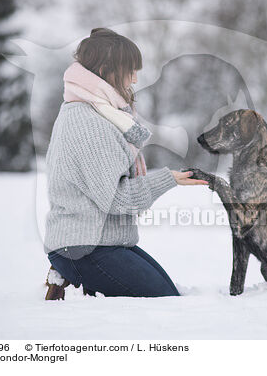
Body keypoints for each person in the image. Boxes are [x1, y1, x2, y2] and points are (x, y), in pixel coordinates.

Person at [43, 28, 207, 299]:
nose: (135, 77)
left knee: (170, 293)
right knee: (166, 302)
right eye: (130, 70)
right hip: (85, 249)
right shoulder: (90, 123)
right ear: (108, 71)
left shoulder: (95, 110)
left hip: (102, 242)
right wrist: (169, 179)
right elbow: (118, 199)